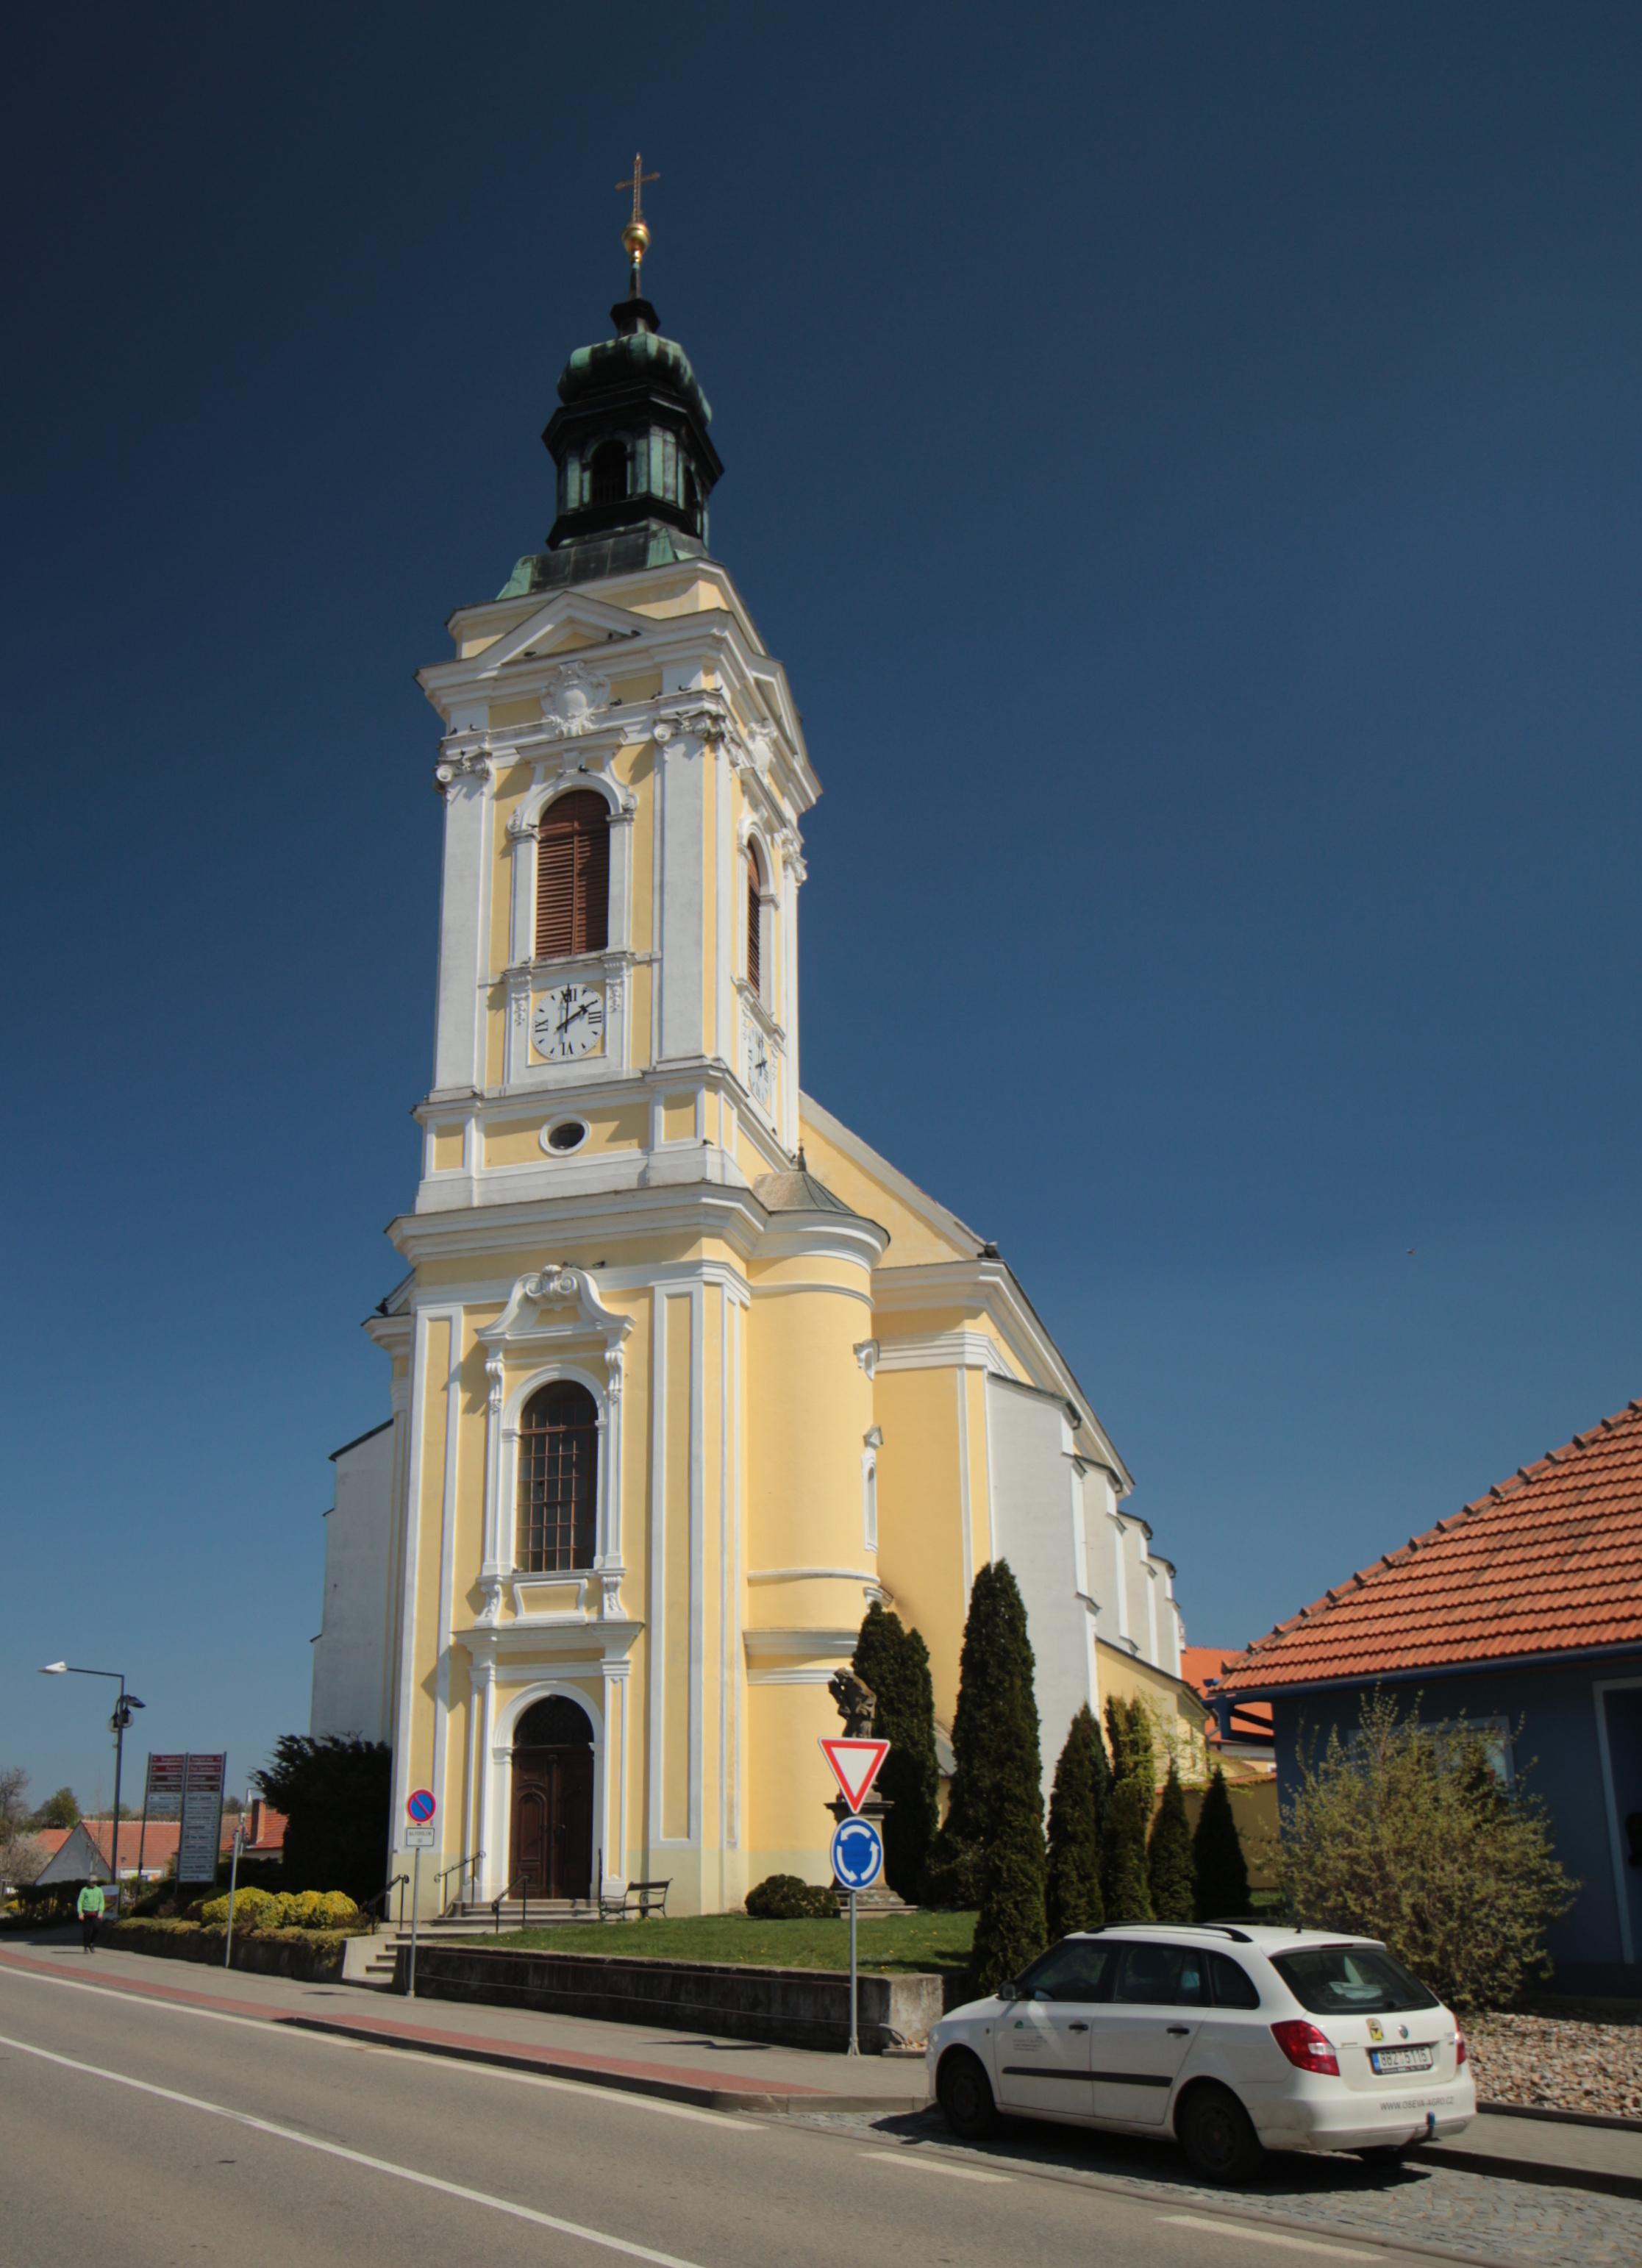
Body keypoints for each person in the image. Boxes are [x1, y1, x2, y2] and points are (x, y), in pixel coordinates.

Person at [76, 1878, 106, 1953]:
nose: (94, 1884)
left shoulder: (99, 1890)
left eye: (95, 1882)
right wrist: (80, 1912)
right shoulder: (84, 1890)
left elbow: (102, 1901)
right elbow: (80, 1902)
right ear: (89, 1882)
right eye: (92, 1882)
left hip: (95, 1913)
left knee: (97, 1927)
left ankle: (92, 1943)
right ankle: (86, 1946)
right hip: (86, 1912)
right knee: (87, 1931)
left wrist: (101, 1912)